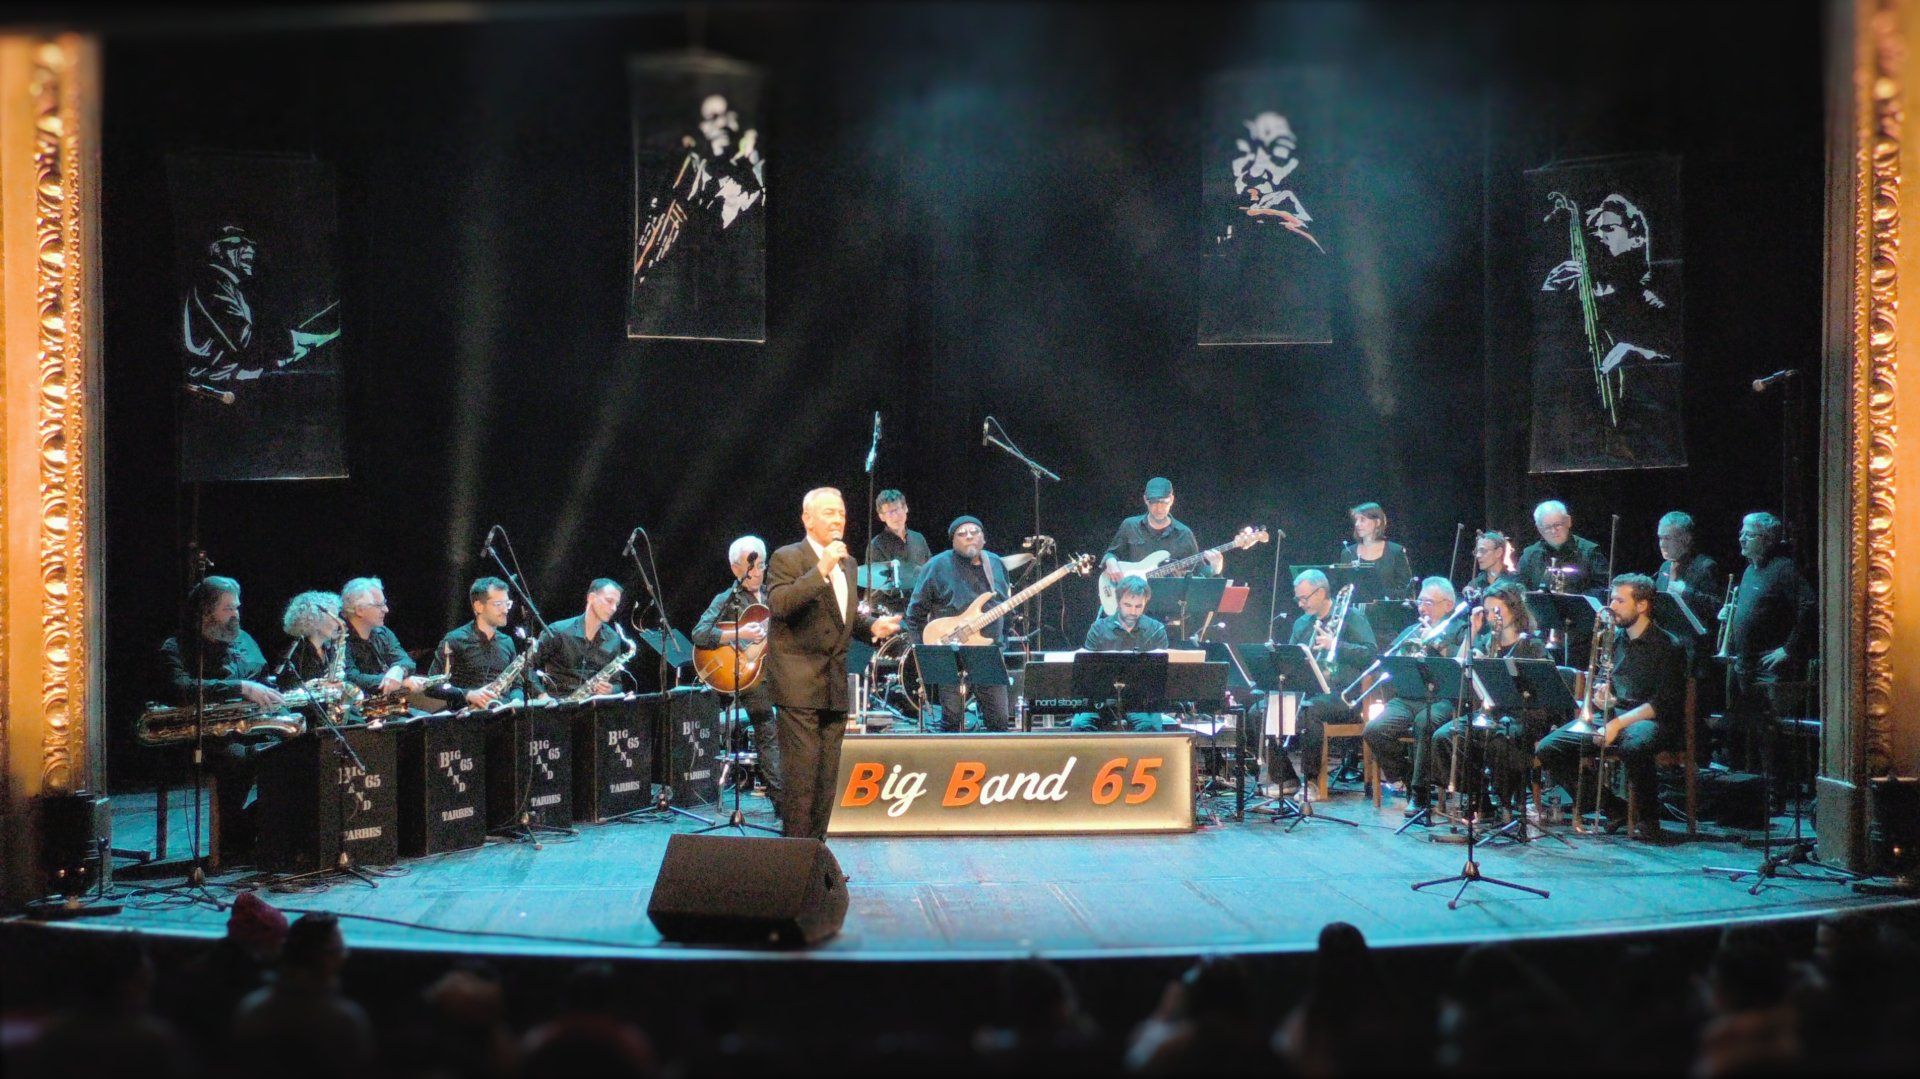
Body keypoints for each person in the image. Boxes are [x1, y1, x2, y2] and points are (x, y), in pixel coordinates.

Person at [765, 487, 901, 839]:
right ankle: (795, 858)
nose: (838, 519)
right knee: (802, 781)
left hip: (833, 684)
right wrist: (821, 569)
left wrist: (871, 626)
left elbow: (842, 615)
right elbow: (780, 605)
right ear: (807, 519)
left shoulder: (849, 564)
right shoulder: (787, 557)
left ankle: (815, 853)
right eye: (828, 513)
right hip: (798, 685)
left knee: (826, 782)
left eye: (841, 513)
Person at [1535, 573, 1687, 840]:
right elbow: (1608, 684)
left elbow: (1663, 703)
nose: (1612, 606)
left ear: (1642, 605)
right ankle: (1614, 808)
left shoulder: (1668, 645)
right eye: (1612, 599)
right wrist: (1603, 696)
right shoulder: (1615, 639)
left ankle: (1649, 819)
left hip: (1652, 719)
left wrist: (1616, 724)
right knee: (1549, 749)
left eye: (1619, 601)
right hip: (1614, 715)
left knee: (1634, 745)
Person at [160, 576, 283, 861]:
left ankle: (257, 828)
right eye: (228, 609)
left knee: (293, 750)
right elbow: (181, 688)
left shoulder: (245, 640)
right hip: (204, 736)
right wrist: (239, 687)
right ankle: (231, 838)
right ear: (205, 612)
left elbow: (264, 678)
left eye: (237, 607)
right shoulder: (176, 646)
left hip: (250, 726)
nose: (236, 615)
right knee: (238, 758)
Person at [1430, 582, 1551, 809]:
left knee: (1498, 741)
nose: (1491, 617)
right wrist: (1472, 632)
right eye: (1487, 612)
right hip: (1491, 713)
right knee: (1444, 737)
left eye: (1497, 610)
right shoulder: (1487, 641)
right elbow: (1460, 669)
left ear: (1514, 610)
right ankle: (1480, 798)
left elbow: (1541, 690)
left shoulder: (1532, 645)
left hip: (1524, 716)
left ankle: (1506, 804)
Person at [691, 535, 782, 821]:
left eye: (761, 565)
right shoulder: (728, 599)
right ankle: (784, 804)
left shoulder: (775, 595)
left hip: (780, 673)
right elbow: (700, 634)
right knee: (768, 729)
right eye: (750, 566)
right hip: (749, 678)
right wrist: (737, 633)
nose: (756, 572)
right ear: (735, 568)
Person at [1363, 577, 1469, 818]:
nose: (1422, 608)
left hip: (1444, 699)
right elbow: (1389, 659)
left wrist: (1438, 643)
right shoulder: (1412, 630)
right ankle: (1410, 779)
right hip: (1410, 696)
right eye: (1420, 602)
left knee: (1425, 722)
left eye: (1428, 603)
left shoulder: (1461, 629)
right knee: (1374, 729)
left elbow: (1462, 665)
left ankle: (1420, 794)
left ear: (1448, 605)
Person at [1723, 511, 1816, 782]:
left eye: (1749, 534)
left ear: (1766, 539)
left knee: (1772, 734)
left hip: (1769, 667)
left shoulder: (1784, 569)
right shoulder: (1749, 570)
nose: (1742, 538)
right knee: (1751, 731)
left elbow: (1809, 606)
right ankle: (1754, 787)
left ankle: (1776, 791)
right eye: (1742, 532)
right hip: (1746, 664)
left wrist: (1789, 648)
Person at [905, 515, 1015, 732]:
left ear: (983, 538)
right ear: (953, 540)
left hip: (987, 652)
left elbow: (1005, 608)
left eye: (974, 532)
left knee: (1000, 721)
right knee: (952, 720)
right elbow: (915, 614)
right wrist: (925, 653)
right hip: (949, 651)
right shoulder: (937, 565)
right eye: (962, 533)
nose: (969, 536)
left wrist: (1002, 642)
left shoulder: (995, 564)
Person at [231, 912, 374, 1077]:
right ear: (327, 958)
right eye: (340, 949)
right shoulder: (344, 1021)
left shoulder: (251, 1009)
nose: (345, 955)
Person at [1276, 569, 1374, 791]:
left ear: (1320, 593)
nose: (1300, 604)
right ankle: (1286, 779)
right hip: (1310, 692)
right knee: (1262, 710)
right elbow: (1291, 659)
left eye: (1304, 598)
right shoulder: (1302, 623)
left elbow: (1370, 653)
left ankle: (1312, 782)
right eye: (1298, 599)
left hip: (1343, 696)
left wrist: (1335, 646)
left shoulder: (1352, 617)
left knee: (1310, 710)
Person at [1071, 575, 1170, 732]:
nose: (1133, 611)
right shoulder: (1099, 628)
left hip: (1141, 702)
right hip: (1101, 700)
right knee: (1079, 725)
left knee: (1149, 727)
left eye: (1139, 606)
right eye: (1127, 605)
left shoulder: (1156, 629)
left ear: (1145, 603)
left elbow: (1162, 675)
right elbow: (1085, 672)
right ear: (1118, 602)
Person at [1101, 477, 1223, 584]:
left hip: (1168, 599)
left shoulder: (1184, 534)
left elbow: (1198, 573)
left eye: (1164, 502)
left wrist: (1215, 568)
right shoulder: (1130, 525)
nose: (1159, 508)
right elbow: (1112, 553)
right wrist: (1110, 561)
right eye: (1153, 502)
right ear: (1145, 500)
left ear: (1172, 499)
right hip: (1132, 596)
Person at [428, 578, 526, 710]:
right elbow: (430, 686)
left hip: (502, 715)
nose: (505, 610)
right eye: (498, 604)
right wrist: (469, 694)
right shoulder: (455, 639)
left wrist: (516, 700)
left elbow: (516, 685)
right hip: (465, 716)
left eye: (507, 604)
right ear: (479, 606)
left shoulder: (507, 641)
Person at [537, 579, 629, 698]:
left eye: (616, 604)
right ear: (591, 598)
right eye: (609, 601)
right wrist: (541, 694)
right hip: (557, 704)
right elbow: (526, 666)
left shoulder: (613, 638)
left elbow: (616, 683)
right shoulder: (558, 630)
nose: (614, 608)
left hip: (592, 706)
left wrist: (611, 689)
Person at [338, 577, 427, 700]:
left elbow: (406, 661)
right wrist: (398, 682)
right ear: (359, 610)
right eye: (379, 605)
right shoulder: (339, 638)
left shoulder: (383, 632)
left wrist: (399, 669)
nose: (386, 609)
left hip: (383, 704)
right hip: (354, 707)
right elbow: (351, 678)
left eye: (384, 603)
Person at [1340, 502, 1414, 603]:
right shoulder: (1347, 553)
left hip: (1387, 610)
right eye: (1356, 520)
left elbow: (1406, 589)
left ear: (1377, 522)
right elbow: (1343, 586)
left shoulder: (1395, 551)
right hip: (1355, 610)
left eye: (1362, 520)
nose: (1357, 524)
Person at [865, 489, 931, 600]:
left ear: (905, 508)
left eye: (897, 509)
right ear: (881, 517)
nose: (895, 516)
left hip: (921, 603)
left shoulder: (918, 538)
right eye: (890, 512)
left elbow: (930, 570)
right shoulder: (876, 545)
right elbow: (878, 585)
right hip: (891, 605)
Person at [277, 591, 345, 686]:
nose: (339, 622)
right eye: (334, 618)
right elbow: (290, 687)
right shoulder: (297, 654)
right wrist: (321, 685)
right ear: (315, 621)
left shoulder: (329, 650)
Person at [1460, 530, 1517, 604]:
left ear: (1498, 552)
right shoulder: (1475, 584)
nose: (1478, 555)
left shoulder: (1514, 581)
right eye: (1477, 551)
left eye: (1483, 551)